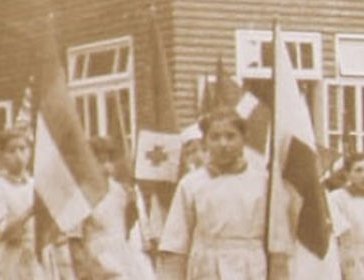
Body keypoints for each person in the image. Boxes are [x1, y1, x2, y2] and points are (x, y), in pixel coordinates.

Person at [157, 110, 268, 280]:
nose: (223, 144)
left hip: (251, 268)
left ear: (244, 139)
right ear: (204, 142)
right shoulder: (191, 184)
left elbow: (278, 243)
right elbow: (175, 243)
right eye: (215, 137)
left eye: (231, 136)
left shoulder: (263, 182)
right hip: (206, 267)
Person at [72, 136, 155, 280]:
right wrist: (87, 269)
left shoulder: (120, 191)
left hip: (121, 254)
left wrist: (132, 207)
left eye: (109, 161)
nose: (106, 166)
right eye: (100, 161)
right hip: (96, 257)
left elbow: (126, 229)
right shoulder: (80, 195)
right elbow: (75, 240)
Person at [0, 128, 44, 280]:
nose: (18, 156)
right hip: (12, 265)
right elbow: (3, 233)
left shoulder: (35, 185)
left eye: (22, 149)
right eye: (11, 151)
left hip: (37, 263)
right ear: (1, 155)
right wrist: (30, 211)